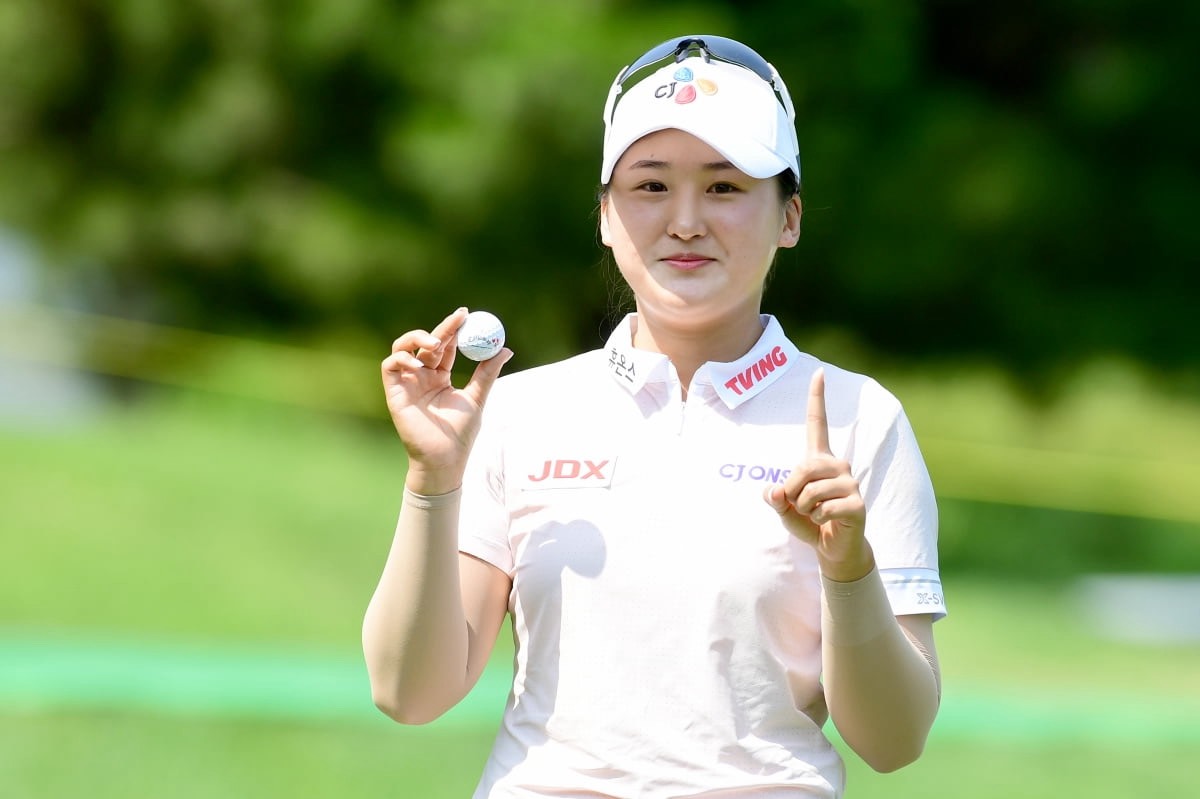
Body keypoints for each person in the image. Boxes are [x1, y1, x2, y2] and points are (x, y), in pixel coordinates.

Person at [363, 34, 946, 798]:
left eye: (725, 186)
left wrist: (850, 570)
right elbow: (409, 691)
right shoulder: (518, 409)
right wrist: (432, 481)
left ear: (790, 216)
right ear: (605, 216)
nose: (686, 220)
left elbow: (893, 741)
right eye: (650, 185)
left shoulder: (860, 417)